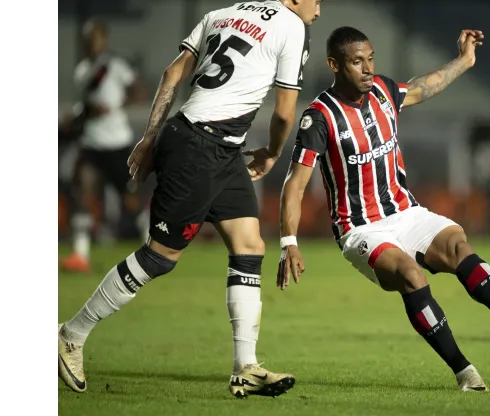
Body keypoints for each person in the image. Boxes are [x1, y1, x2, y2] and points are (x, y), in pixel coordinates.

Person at [58, 0, 322, 399]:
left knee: (249, 245)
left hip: (215, 146)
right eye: (317, 1)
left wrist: (150, 137)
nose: (318, 12)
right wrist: (271, 152)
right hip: (201, 147)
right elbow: (285, 113)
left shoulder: (222, 13)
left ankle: (245, 367)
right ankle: (70, 335)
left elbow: (173, 72)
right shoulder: (292, 26)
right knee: (159, 257)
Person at [277, 26, 490, 391]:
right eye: (357, 61)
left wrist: (464, 61)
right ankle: (465, 372)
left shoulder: (384, 92)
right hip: (361, 228)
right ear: (334, 65)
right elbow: (294, 185)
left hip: (405, 212)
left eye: (370, 58)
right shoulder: (320, 117)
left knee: (457, 244)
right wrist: (288, 242)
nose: (367, 68)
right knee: (410, 275)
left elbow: (424, 85)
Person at [59, 18, 149, 273]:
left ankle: (152, 245)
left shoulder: (115, 66)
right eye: (88, 39)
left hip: (117, 143)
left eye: (95, 37)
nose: (91, 42)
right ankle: (80, 253)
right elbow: (88, 107)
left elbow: (139, 91)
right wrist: (80, 115)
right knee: (81, 191)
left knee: (129, 198)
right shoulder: (82, 70)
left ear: (104, 39)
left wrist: (115, 106)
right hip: (90, 144)